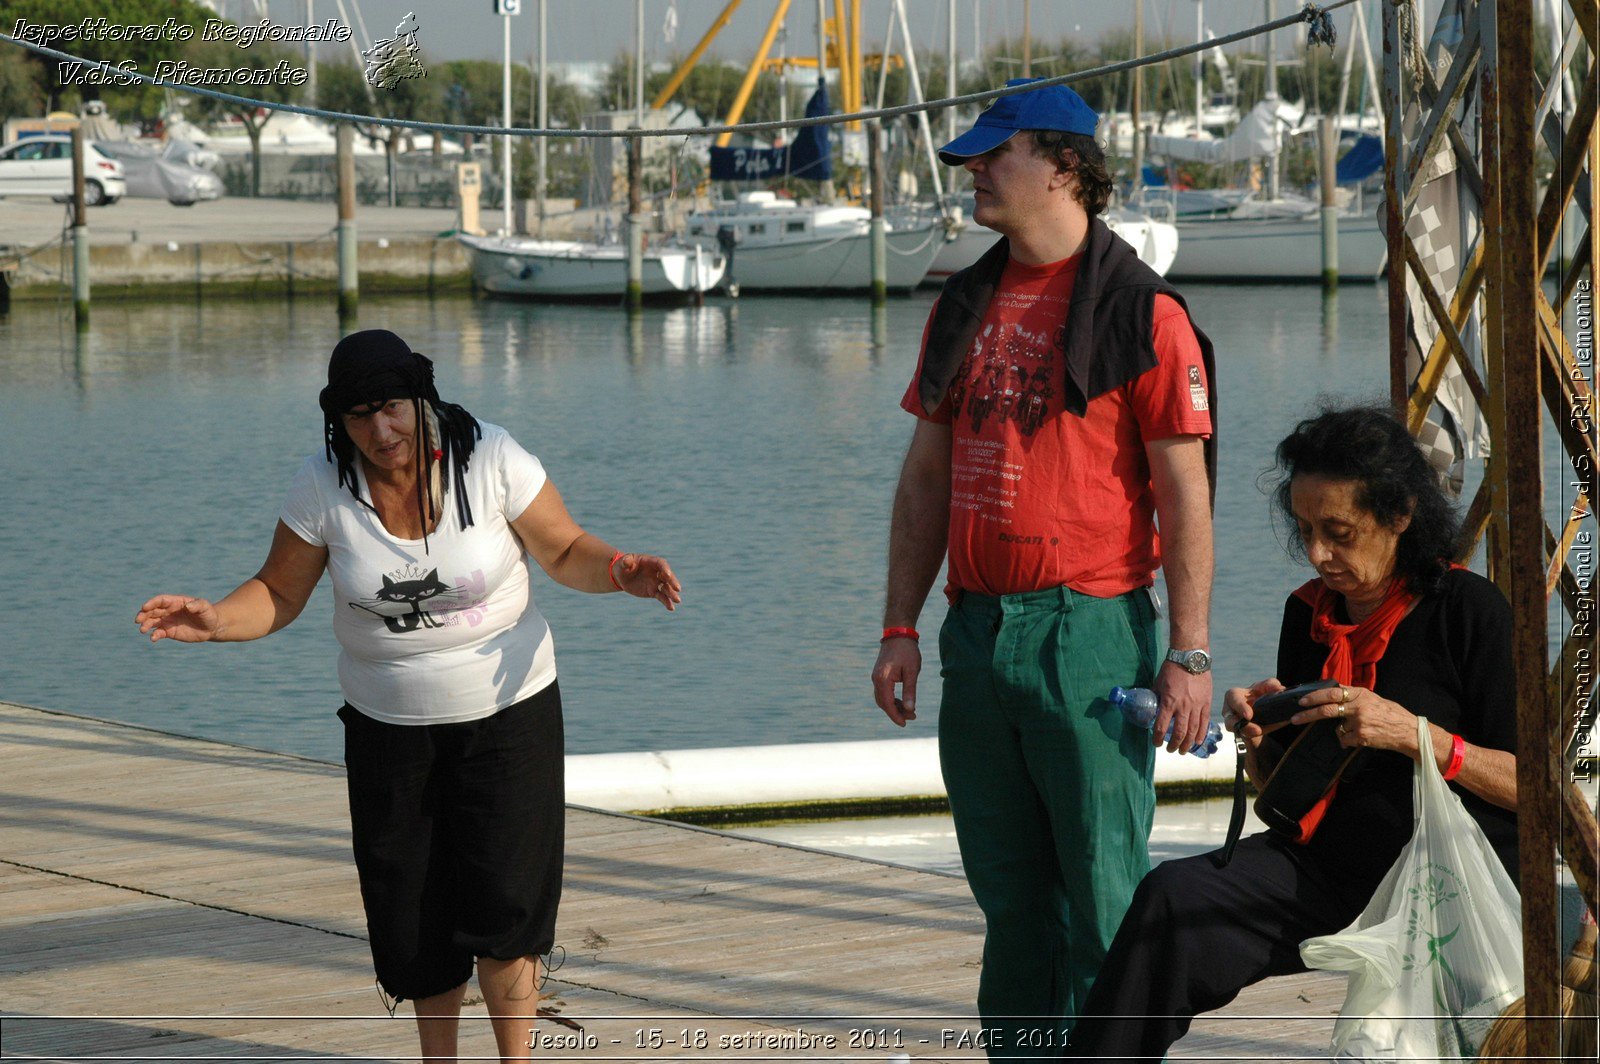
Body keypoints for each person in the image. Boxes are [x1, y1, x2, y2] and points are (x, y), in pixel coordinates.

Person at [135, 329, 681, 1064]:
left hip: (508, 714)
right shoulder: (323, 484)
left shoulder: (490, 457)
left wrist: (620, 569)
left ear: (421, 395)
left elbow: (561, 548)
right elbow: (277, 592)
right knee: (413, 910)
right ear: (338, 421)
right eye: (359, 415)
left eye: (391, 407)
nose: (380, 429)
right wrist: (217, 621)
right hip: (389, 727)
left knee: (506, 905)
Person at [869, 78, 1218, 1057]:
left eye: (993, 154)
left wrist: (1187, 651)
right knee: (1011, 900)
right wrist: (900, 625)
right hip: (976, 630)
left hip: (1090, 628)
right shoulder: (963, 301)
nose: (973, 171)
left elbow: (1185, 496)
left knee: (1104, 893)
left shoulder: (1142, 314)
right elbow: (924, 476)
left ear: (1065, 163)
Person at [1063, 405, 1521, 1062]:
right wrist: (1256, 737)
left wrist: (1411, 733)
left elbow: (1535, 789)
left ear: (1399, 517)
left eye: (1338, 532)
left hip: (1446, 886)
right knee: (1172, 899)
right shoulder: (1305, 612)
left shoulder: (1469, 612)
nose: (1316, 553)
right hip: (1330, 872)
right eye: (1304, 529)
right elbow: (1287, 797)